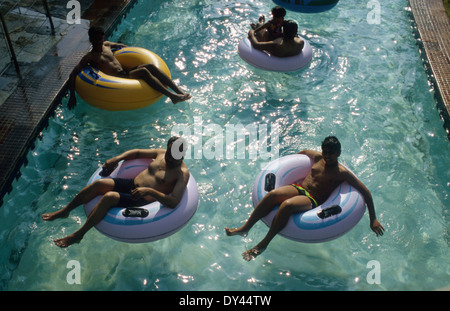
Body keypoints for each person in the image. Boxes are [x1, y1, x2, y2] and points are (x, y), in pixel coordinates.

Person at [225, 136, 385, 261]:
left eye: (331, 153)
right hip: (298, 188)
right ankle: (245, 228)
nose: (327, 156)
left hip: (312, 200)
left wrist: (373, 219)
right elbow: (300, 154)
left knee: (287, 205)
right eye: (325, 151)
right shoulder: (317, 158)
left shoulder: (341, 173)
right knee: (272, 195)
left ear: (338, 153)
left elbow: (366, 192)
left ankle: (263, 244)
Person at [42, 136, 190, 248]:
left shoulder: (181, 173)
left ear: (182, 156)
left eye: (175, 157)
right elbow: (137, 153)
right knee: (99, 183)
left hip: (142, 198)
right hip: (131, 184)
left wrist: (149, 191)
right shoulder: (161, 153)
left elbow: (174, 201)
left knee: (109, 197)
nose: (170, 159)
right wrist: (116, 159)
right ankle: (66, 211)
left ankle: (78, 235)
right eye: (169, 154)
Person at [67, 26, 191, 109]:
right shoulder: (91, 57)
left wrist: (129, 51)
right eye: (96, 40)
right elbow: (73, 74)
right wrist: (72, 96)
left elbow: (123, 47)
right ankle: (172, 96)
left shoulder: (107, 45)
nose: (99, 41)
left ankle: (179, 91)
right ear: (91, 40)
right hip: (118, 77)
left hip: (126, 71)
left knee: (150, 66)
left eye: (101, 38)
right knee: (143, 71)